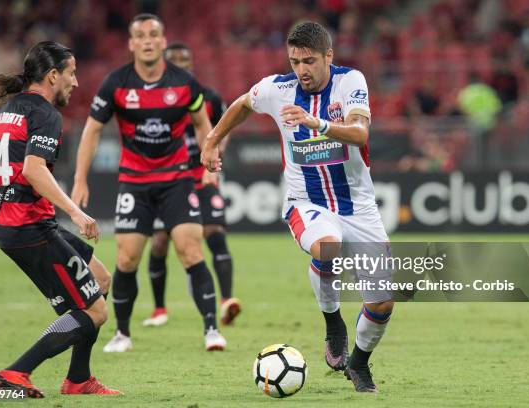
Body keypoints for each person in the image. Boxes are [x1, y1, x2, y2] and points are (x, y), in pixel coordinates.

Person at [201, 22, 394, 393]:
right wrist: (212, 140)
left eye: (309, 61)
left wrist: (317, 122)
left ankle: (359, 363)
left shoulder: (350, 82)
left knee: (383, 302)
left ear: (328, 57)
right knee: (326, 246)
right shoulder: (278, 88)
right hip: (306, 202)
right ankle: (333, 322)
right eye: (295, 61)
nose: (301, 70)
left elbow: (360, 133)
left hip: (358, 206)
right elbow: (242, 104)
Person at [0, 41, 120, 397]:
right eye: (71, 74)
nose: (76, 83)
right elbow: (35, 170)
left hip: (20, 223)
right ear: (53, 75)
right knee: (96, 312)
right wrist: (76, 211)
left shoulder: (5, 112)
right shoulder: (45, 114)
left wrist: (8, 191)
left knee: (101, 278)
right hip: (29, 228)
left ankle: (78, 379)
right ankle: (16, 372)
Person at [70, 14, 226, 352]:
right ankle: (122, 334)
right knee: (126, 259)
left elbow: (203, 124)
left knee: (190, 250)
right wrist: (80, 178)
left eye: (154, 34)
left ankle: (212, 330)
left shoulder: (184, 82)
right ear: (131, 44)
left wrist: (209, 159)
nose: (147, 40)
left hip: (178, 180)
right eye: (140, 35)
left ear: (163, 41)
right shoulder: (116, 83)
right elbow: (92, 130)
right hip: (135, 183)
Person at [143, 42, 241, 328]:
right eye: (174, 59)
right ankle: (159, 308)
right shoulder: (154, 97)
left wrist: (214, 156)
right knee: (160, 242)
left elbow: (224, 130)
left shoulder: (207, 97)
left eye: (185, 58)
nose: (180, 63)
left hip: (201, 175)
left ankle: (227, 301)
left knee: (215, 232)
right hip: (168, 179)